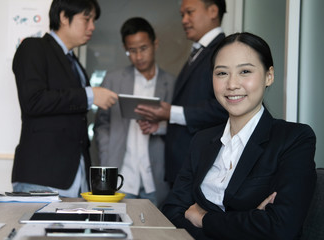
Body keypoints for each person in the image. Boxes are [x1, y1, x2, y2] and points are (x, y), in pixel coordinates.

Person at [162, 32, 317, 239]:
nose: (232, 84)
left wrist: (203, 218)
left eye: (245, 71)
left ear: (269, 76)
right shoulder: (201, 140)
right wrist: (249, 220)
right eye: (222, 73)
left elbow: (281, 228)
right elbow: (172, 212)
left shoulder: (294, 139)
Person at [11, 0, 118, 197]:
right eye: (86, 19)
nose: (92, 26)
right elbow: (33, 101)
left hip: (76, 177)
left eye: (93, 20)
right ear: (63, 17)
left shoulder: (74, 62)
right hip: (41, 176)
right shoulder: (33, 47)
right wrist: (90, 94)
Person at [135, 0, 228, 186]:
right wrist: (162, 126)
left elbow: (224, 106)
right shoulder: (199, 52)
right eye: (182, 15)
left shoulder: (223, 51)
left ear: (213, 11)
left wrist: (171, 112)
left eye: (190, 12)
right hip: (186, 165)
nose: (184, 20)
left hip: (203, 166)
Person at [94, 17, 175, 206]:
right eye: (132, 50)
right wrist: (107, 158)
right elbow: (101, 125)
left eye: (143, 48)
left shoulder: (171, 83)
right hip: (121, 177)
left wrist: (160, 127)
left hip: (156, 179)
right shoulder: (113, 80)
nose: (138, 56)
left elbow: (179, 126)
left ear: (155, 44)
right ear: (125, 49)